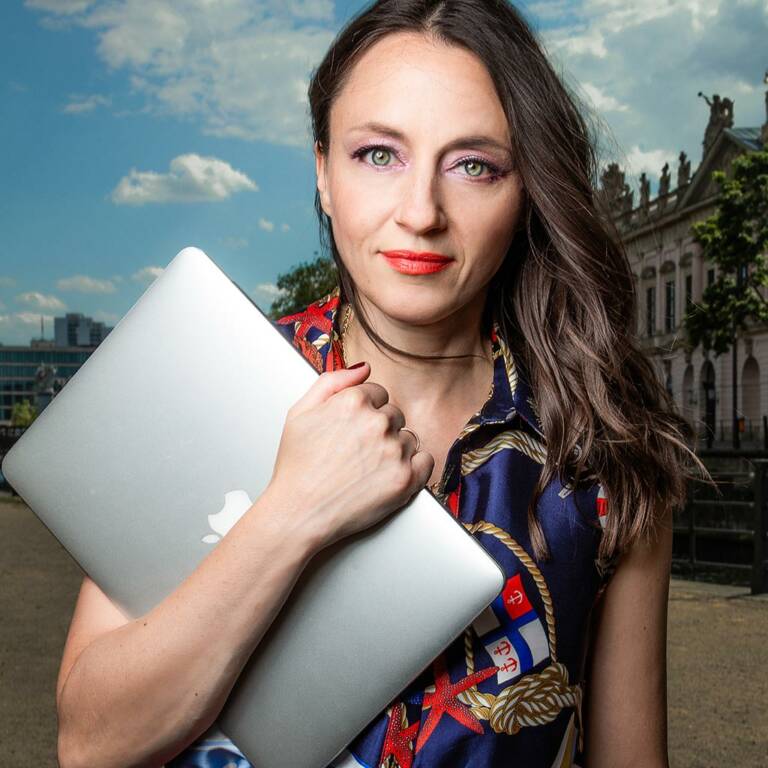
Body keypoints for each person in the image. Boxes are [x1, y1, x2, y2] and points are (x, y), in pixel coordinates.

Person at [55, 2, 708, 767]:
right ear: (324, 174)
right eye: (378, 155)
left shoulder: (603, 442)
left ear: (527, 192)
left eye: (474, 165)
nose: (421, 212)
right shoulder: (206, 376)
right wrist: (293, 513)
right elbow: (92, 746)